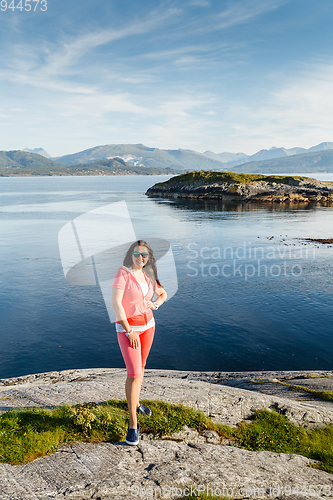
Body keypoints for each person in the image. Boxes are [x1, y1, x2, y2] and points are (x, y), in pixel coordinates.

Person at [111, 240, 167, 445]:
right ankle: (133, 424)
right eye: (137, 254)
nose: (140, 258)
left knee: (141, 368)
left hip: (149, 327)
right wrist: (128, 330)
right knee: (134, 373)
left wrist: (156, 304)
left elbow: (163, 294)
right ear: (131, 255)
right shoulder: (123, 273)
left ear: (149, 258)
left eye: (144, 255)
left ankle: (136, 404)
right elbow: (116, 303)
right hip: (129, 330)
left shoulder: (149, 275)